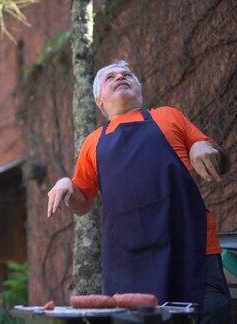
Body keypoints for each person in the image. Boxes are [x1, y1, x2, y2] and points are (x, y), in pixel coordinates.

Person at [47, 60, 232, 323]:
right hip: (128, 265)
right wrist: (66, 183)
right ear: (100, 101)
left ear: (139, 90)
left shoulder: (168, 116)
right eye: (111, 77)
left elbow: (221, 163)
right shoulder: (93, 143)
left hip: (193, 251)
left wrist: (202, 147)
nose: (121, 77)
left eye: (127, 75)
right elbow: (82, 203)